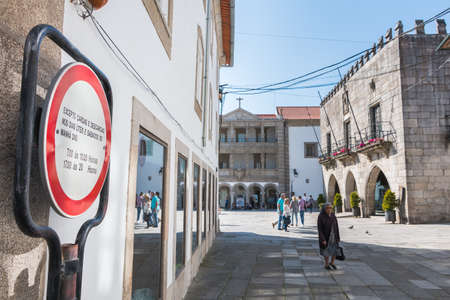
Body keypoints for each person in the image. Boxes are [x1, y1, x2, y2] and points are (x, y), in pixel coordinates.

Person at [318, 202, 341, 270]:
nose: (329, 209)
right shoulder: (321, 216)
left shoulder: (333, 215)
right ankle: (326, 264)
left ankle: (332, 263)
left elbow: (336, 226)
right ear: (324, 209)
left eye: (330, 208)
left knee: (335, 250)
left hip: (334, 235)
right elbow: (320, 229)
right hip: (326, 236)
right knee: (326, 251)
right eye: (327, 208)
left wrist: (338, 237)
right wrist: (323, 239)